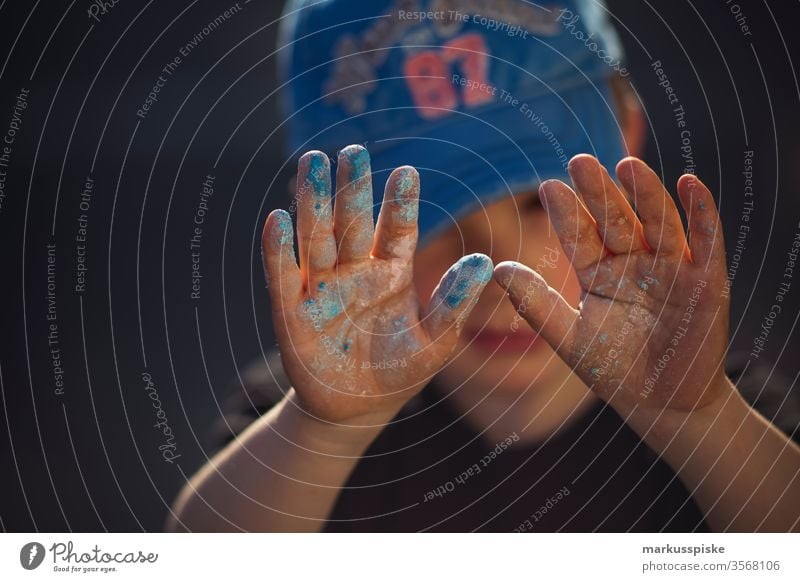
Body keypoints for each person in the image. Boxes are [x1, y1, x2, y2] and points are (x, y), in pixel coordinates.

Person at [168, 0, 800, 532]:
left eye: (538, 204)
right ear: (337, 223)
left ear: (626, 138)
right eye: (429, 218)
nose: (500, 272)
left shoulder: (724, 418)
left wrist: (691, 420)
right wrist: (324, 434)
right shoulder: (310, 417)